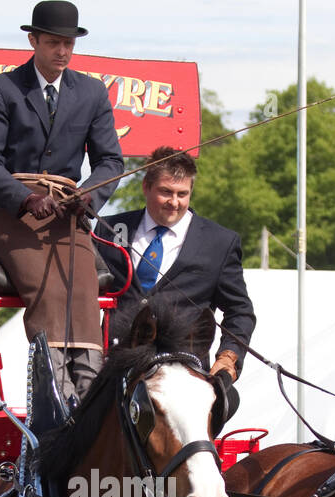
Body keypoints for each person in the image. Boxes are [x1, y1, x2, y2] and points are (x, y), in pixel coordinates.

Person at [0, 0, 124, 400]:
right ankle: (54, 390)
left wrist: (86, 199)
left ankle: (88, 390)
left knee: (83, 286)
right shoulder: (2, 89)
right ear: (33, 40)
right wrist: (24, 199)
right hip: (10, 211)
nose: (63, 51)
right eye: (54, 42)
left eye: (69, 43)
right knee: (49, 288)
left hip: (68, 209)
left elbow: (110, 161)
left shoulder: (91, 93)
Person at [99, 146, 257, 416]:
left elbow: (240, 311)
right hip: (114, 372)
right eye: (166, 192)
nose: (174, 202)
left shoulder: (219, 242)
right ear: (146, 187)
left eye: (182, 194)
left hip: (184, 375)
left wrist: (228, 358)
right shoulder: (109, 229)